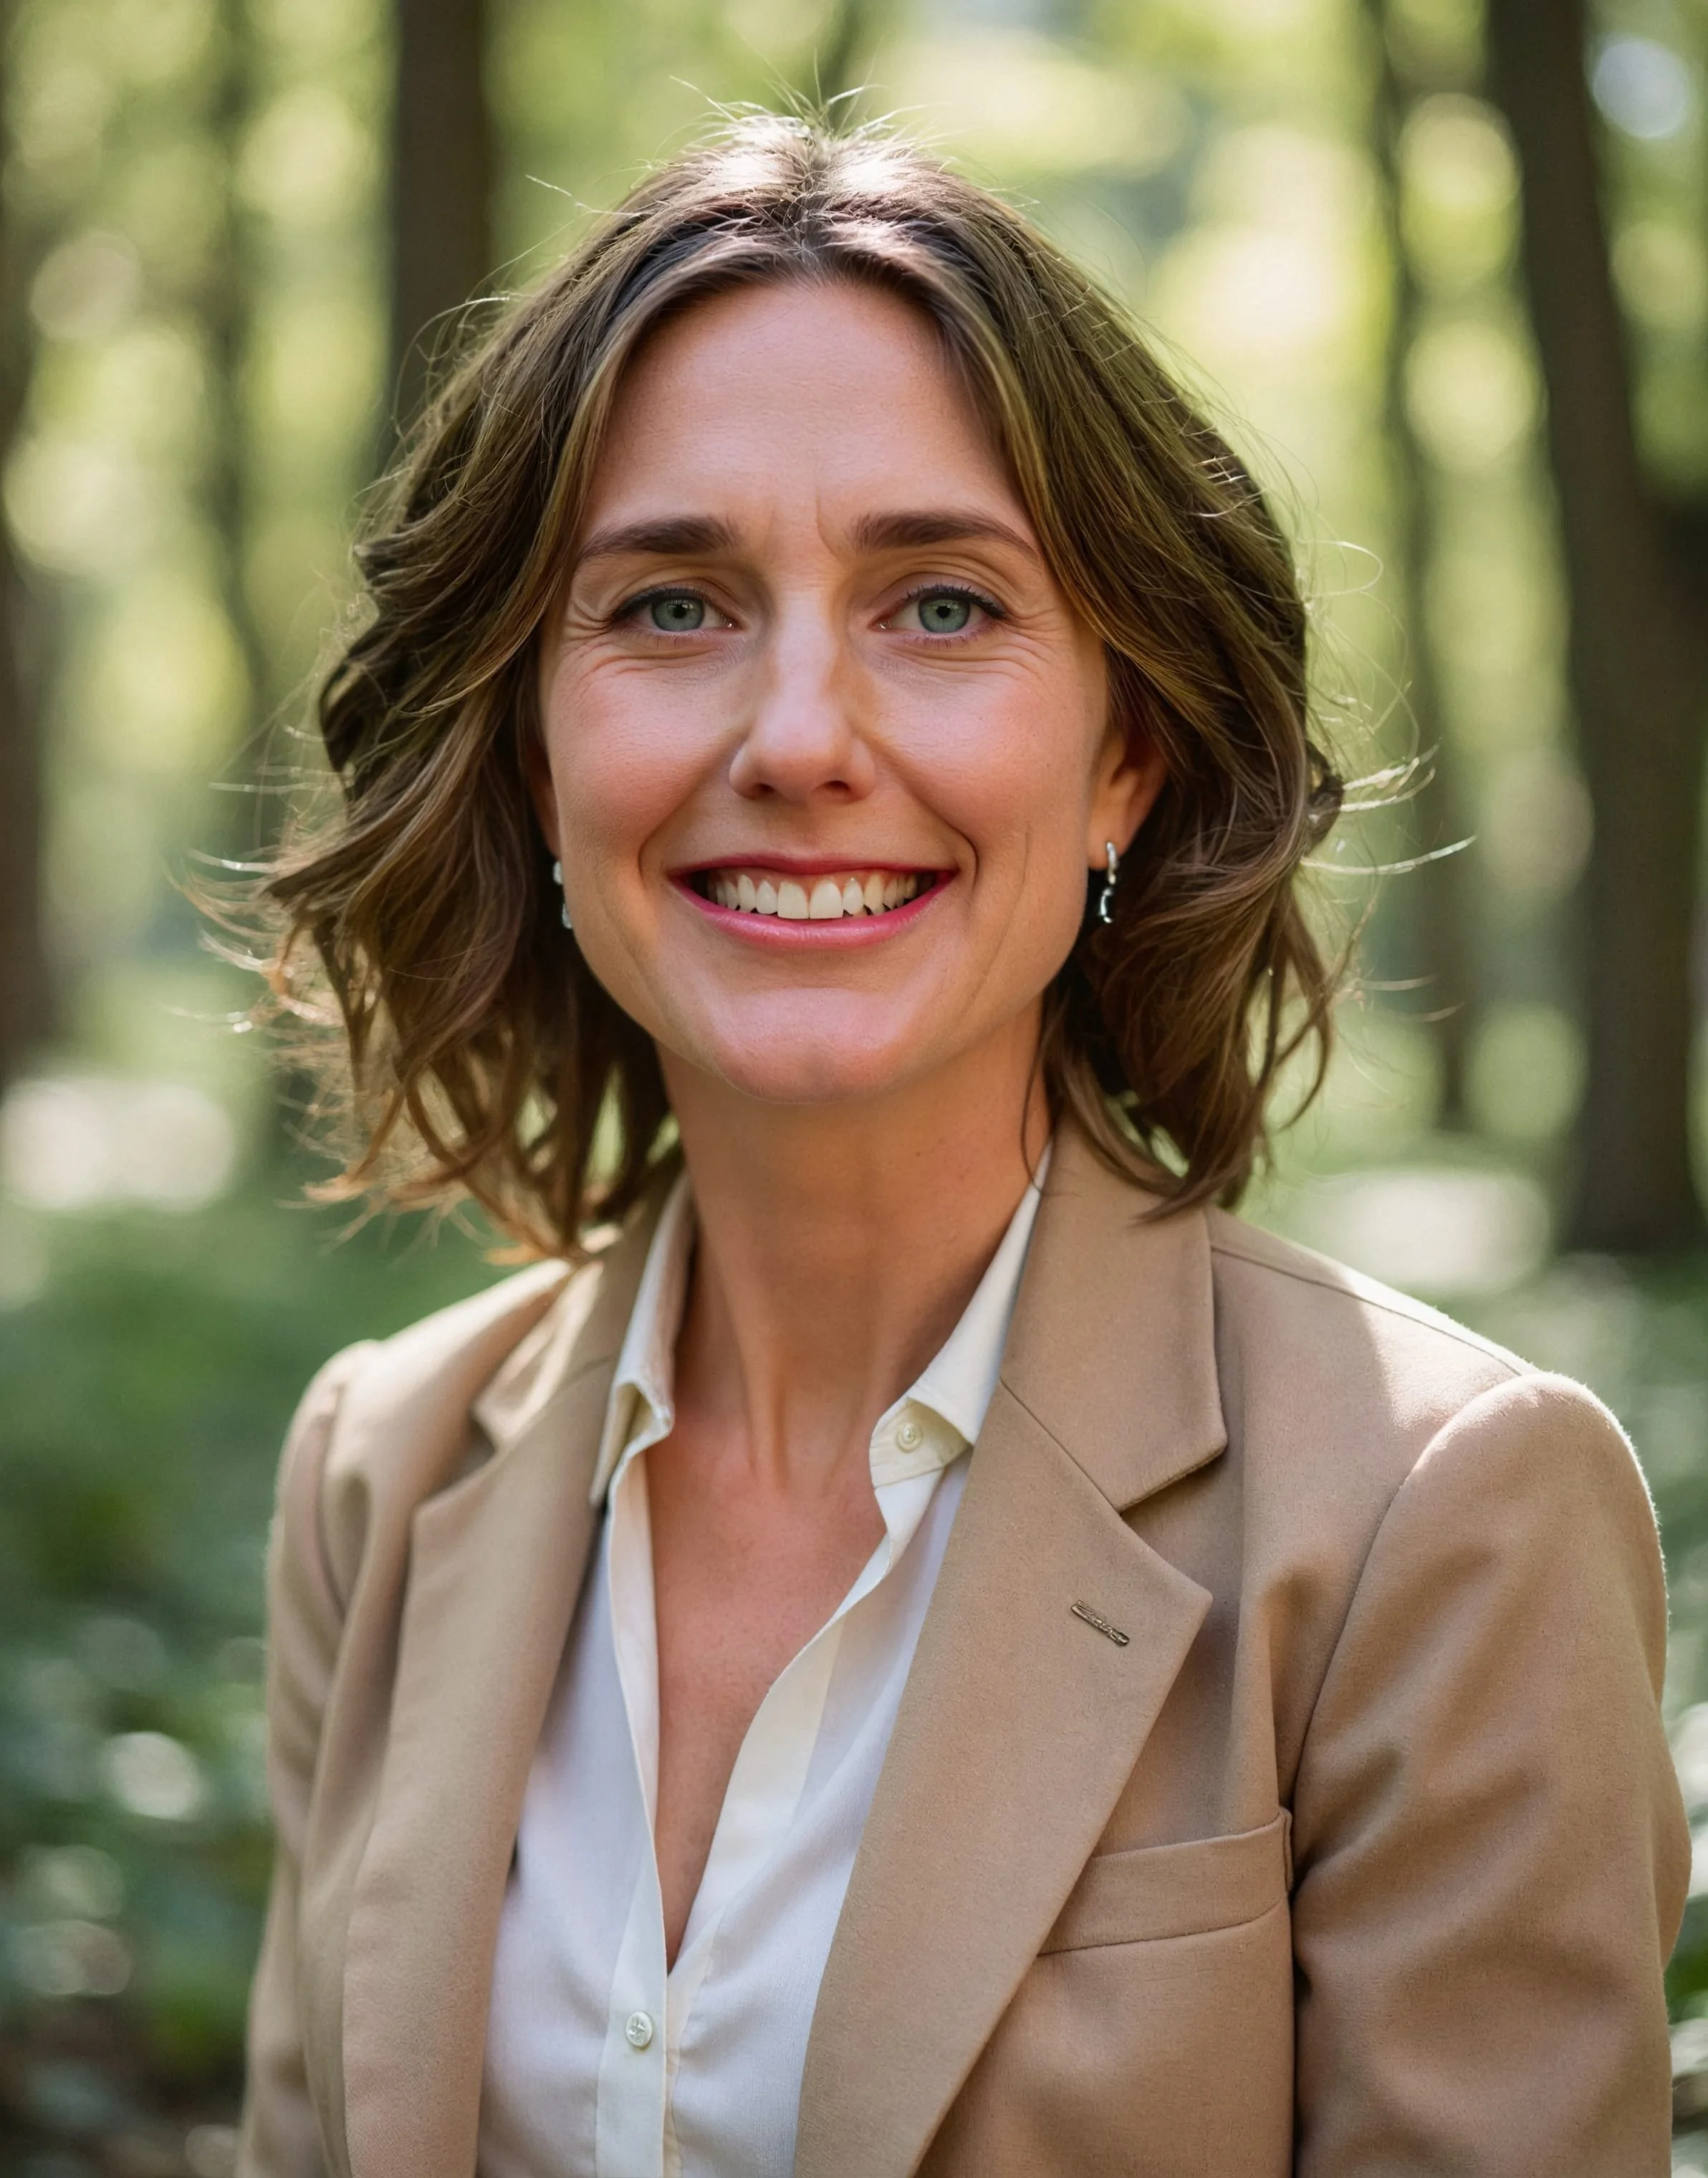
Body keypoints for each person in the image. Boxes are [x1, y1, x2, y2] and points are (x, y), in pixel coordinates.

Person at [235, 117, 1685, 2178]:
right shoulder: (376, 1473)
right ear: (532, 758)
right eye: (668, 606)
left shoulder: (1434, 1522)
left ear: (1123, 759)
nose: (801, 735)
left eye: (938, 604)